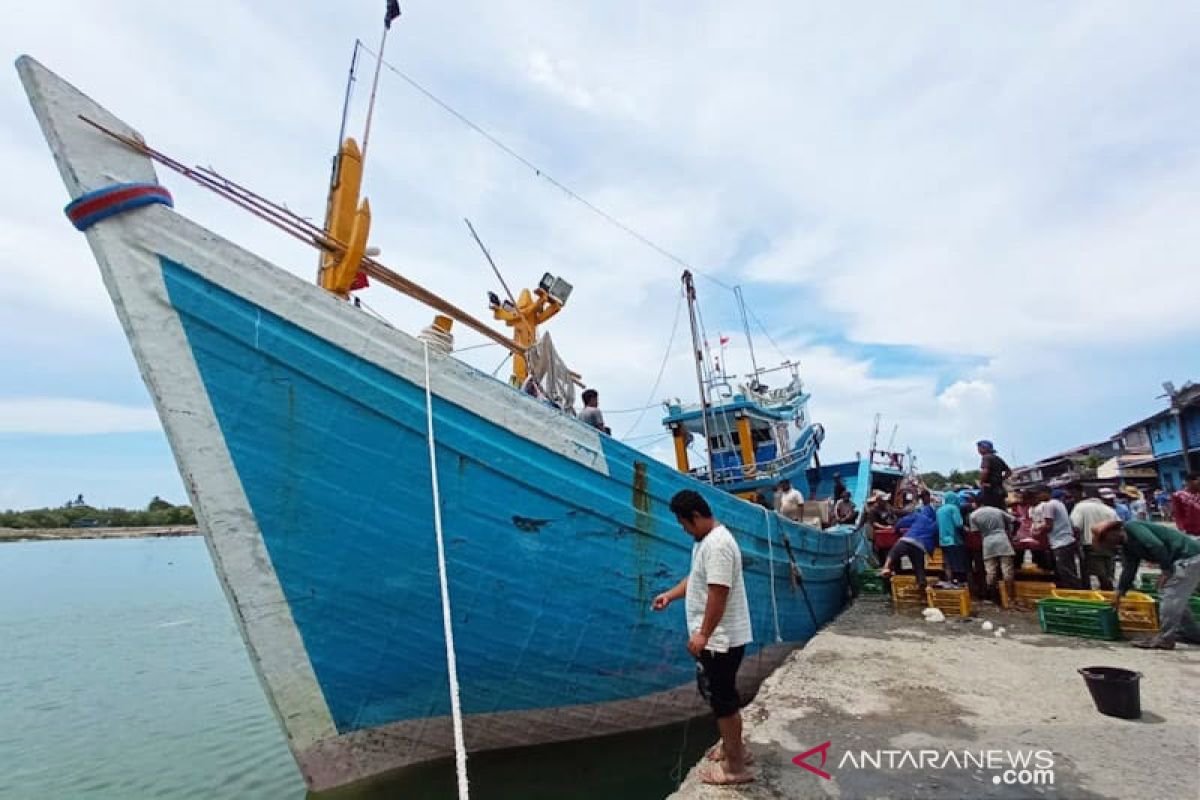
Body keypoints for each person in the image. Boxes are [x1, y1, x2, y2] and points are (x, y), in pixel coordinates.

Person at [653, 491, 754, 785]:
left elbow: (718, 593)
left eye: (684, 523)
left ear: (695, 517)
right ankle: (735, 749)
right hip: (717, 639)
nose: (683, 529)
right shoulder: (704, 543)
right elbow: (697, 577)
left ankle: (735, 768)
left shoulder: (719, 545)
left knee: (723, 702)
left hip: (721, 640)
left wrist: (703, 635)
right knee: (721, 695)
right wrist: (670, 596)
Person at [1095, 518, 1200, 650]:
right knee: (1176, 597)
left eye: (1105, 539)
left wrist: (1166, 570)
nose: (1108, 544)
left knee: (1170, 596)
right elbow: (1129, 569)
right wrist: (1120, 591)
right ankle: (1192, 633)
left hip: (1188, 556)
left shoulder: (1132, 527)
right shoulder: (1128, 546)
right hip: (1185, 559)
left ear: (1113, 532)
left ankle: (1165, 639)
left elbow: (1155, 545)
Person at [878, 502, 938, 600]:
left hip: (907, 540)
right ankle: (922, 594)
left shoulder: (919, 516)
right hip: (920, 547)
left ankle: (886, 567)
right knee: (919, 569)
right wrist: (930, 553)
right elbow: (934, 541)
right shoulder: (934, 525)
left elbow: (901, 523)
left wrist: (897, 531)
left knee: (893, 553)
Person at [969, 504, 1020, 607]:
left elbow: (975, 533)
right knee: (1007, 570)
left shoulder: (973, 515)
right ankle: (1010, 598)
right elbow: (1016, 521)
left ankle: (994, 598)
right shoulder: (997, 510)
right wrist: (1012, 534)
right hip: (1003, 540)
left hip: (988, 543)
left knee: (991, 572)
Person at [1070, 492, 1119, 590]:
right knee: (1107, 572)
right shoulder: (1109, 509)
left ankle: (1096, 593)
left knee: (1093, 574)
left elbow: (1075, 527)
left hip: (1090, 545)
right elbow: (1118, 526)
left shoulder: (1080, 507)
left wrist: (1075, 545)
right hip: (1109, 545)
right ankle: (1109, 593)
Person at [1034, 487, 1081, 588]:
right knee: (1070, 570)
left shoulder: (1048, 505)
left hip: (1060, 542)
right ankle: (1076, 591)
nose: (1038, 497)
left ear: (1045, 493)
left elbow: (1048, 526)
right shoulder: (1059, 503)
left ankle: (1074, 591)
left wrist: (1036, 531)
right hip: (1067, 541)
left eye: (1039, 494)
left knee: (1065, 571)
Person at [936, 491, 968, 584]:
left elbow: (938, 526)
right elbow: (958, 524)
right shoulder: (954, 508)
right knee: (958, 563)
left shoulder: (939, 510)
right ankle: (960, 582)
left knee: (948, 563)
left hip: (943, 541)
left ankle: (950, 581)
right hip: (954, 540)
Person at [976, 440, 1011, 509]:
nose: (978, 450)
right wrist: (1000, 479)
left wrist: (981, 482)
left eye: (979, 448)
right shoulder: (998, 458)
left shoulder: (986, 457)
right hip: (999, 490)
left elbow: (985, 471)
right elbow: (1009, 472)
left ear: (984, 448)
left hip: (990, 490)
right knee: (1001, 509)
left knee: (990, 510)